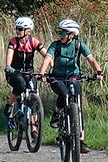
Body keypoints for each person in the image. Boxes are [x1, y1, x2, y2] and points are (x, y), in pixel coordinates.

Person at [42, 18, 103, 154]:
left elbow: (90, 59)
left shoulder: (78, 45)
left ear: (72, 34)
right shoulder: (55, 45)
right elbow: (48, 58)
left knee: (78, 106)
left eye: (63, 33)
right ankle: (57, 114)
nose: (60, 36)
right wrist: (42, 74)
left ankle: (80, 141)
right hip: (57, 77)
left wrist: (99, 72)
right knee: (63, 94)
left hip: (73, 77)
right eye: (59, 33)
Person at [4, 16, 46, 119]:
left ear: (28, 32)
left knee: (33, 93)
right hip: (14, 71)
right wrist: (8, 66)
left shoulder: (34, 42)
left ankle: (34, 129)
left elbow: (47, 56)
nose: (17, 31)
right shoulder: (13, 41)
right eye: (17, 28)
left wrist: (50, 69)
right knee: (21, 85)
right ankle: (10, 105)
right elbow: (9, 54)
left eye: (20, 29)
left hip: (29, 72)